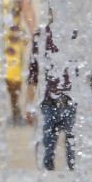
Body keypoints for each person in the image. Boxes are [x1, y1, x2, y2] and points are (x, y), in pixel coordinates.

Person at [26, 14, 80, 171]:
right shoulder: (41, 36)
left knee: (74, 160)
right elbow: (33, 73)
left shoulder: (77, 35)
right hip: (48, 104)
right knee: (45, 158)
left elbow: (89, 69)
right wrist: (29, 104)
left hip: (72, 103)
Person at [0, 0, 37, 127]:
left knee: (13, 79)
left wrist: (35, 33)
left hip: (13, 40)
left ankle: (16, 109)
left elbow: (28, 11)